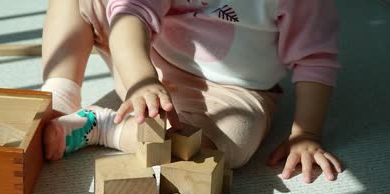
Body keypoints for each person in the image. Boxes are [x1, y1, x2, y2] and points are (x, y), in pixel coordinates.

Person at [41, 0, 342, 184]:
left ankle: (103, 126)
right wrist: (141, 78)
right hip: (146, 63)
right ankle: (60, 93)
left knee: (212, 149)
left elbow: (314, 59)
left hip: (233, 90)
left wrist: (307, 133)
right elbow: (130, 15)